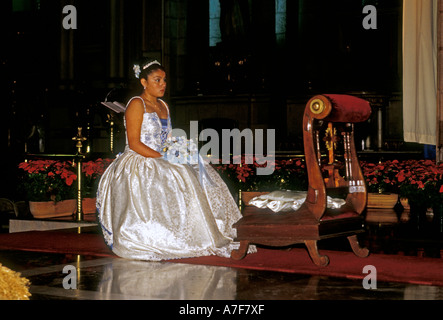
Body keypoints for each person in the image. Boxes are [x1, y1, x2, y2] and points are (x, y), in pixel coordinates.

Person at [96, 59, 252, 261]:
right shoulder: (136, 103)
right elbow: (134, 143)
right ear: (144, 82)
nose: (163, 84)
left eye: (164, 80)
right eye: (157, 80)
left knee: (201, 169)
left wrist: (181, 150)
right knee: (179, 173)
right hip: (140, 158)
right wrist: (164, 157)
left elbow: (168, 138)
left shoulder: (163, 105)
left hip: (162, 154)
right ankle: (170, 236)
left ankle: (205, 230)